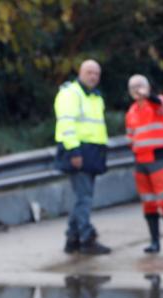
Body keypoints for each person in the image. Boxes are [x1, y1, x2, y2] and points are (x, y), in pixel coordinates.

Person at [54, 59, 111, 255]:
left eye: (96, 73)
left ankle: (73, 237)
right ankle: (87, 238)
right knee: (84, 198)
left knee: (82, 197)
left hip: (92, 153)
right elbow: (66, 125)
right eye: (89, 72)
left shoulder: (95, 97)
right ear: (80, 72)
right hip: (78, 152)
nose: (93, 76)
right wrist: (75, 152)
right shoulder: (71, 94)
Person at [125, 75, 163, 254]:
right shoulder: (131, 112)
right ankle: (154, 242)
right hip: (140, 161)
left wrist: (147, 95)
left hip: (158, 159)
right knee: (148, 203)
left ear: (148, 87)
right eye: (133, 87)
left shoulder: (159, 103)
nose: (137, 90)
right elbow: (131, 137)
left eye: (140, 86)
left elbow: (158, 103)